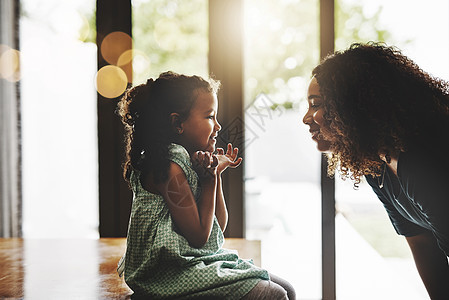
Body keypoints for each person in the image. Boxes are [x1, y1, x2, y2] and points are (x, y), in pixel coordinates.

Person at [116, 71, 295, 299]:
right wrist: (208, 181)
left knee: (287, 289)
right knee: (274, 294)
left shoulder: (185, 161)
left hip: (188, 261)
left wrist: (214, 175)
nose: (218, 126)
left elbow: (217, 226)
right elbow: (199, 238)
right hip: (164, 274)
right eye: (210, 116)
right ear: (177, 123)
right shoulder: (169, 167)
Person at [303, 42, 449, 299]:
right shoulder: (376, 165)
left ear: (351, 106)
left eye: (316, 104)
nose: (306, 117)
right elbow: (421, 242)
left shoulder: (419, 163)